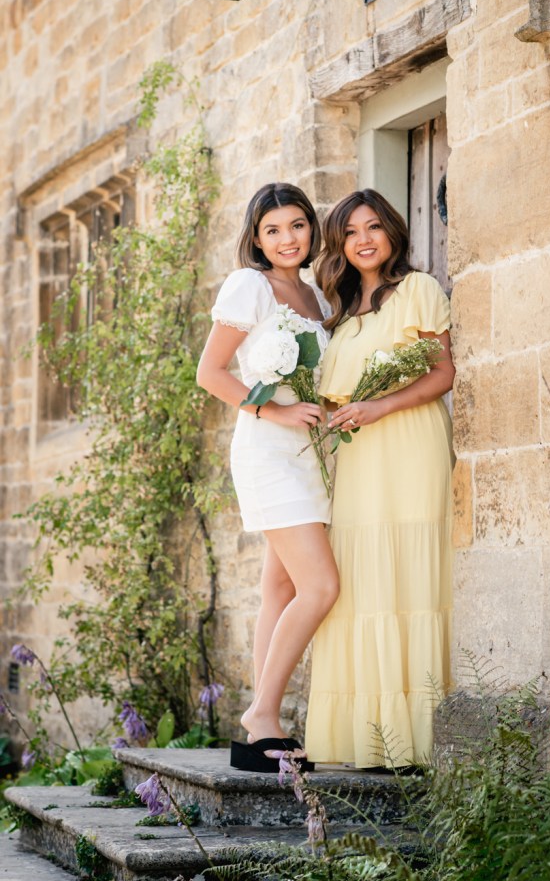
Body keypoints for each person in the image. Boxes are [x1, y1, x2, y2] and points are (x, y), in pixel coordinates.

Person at [304, 189, 455, 769]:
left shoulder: (418, 290)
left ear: (392, 230)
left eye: (374, 227)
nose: (364, 239)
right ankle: (367, 735)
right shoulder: (338, 314)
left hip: (410, 445)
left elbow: (443, 374)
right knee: (362, 581)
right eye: (351, 232)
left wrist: (381, 407)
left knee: (409, 574)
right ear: (340, 244)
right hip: (359, 460)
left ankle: (417, 737)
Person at [196, 182, 339, 772]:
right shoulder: (248, 286)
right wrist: (273, 410)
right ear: (256, 237)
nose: (288, 239)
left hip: (312, 456)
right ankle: (263, 715)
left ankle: (261, 725)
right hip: (267, 452)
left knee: (280, 589)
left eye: (298, 226)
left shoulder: (317, 296)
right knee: (322, 587)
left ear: (312, 229)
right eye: (273, 229)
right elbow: (210, 372)